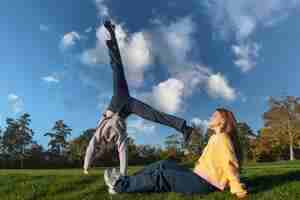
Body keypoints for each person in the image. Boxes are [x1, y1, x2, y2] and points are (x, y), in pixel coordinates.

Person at [83, 20, 196, 175]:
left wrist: (86, 167)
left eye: (101, 148)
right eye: (103, 149)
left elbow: (90, 148)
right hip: (128, 107)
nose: (105, 145)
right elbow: (123, 153)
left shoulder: (98, 134)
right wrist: (123, 173)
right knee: (153, 115)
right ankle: (185, 128)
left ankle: (112, 36)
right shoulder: (118, 138)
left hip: (118, 99)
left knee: (117, 68)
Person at [104, 108, 248, 199]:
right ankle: (124, 180)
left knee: (162, 176)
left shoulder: (222, 138)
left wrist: (236, 187)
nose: (210, 117)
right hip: (197, 175)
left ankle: (119, 186)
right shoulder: (215, 137)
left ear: (222, 121)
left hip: (203, 184)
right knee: (164, 164)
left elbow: (230, 164)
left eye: (214, 115)